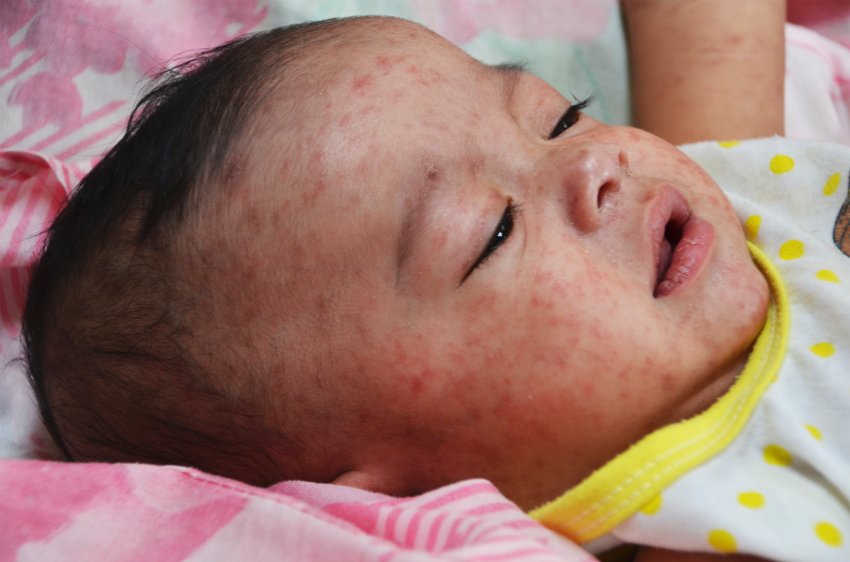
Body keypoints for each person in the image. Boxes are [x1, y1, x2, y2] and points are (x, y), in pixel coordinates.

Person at [21, 2, 850, 561]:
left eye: (559, 114)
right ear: (411, 497)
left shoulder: (723, 195)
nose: (597, 163)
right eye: (492, 233)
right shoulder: (728, 521)